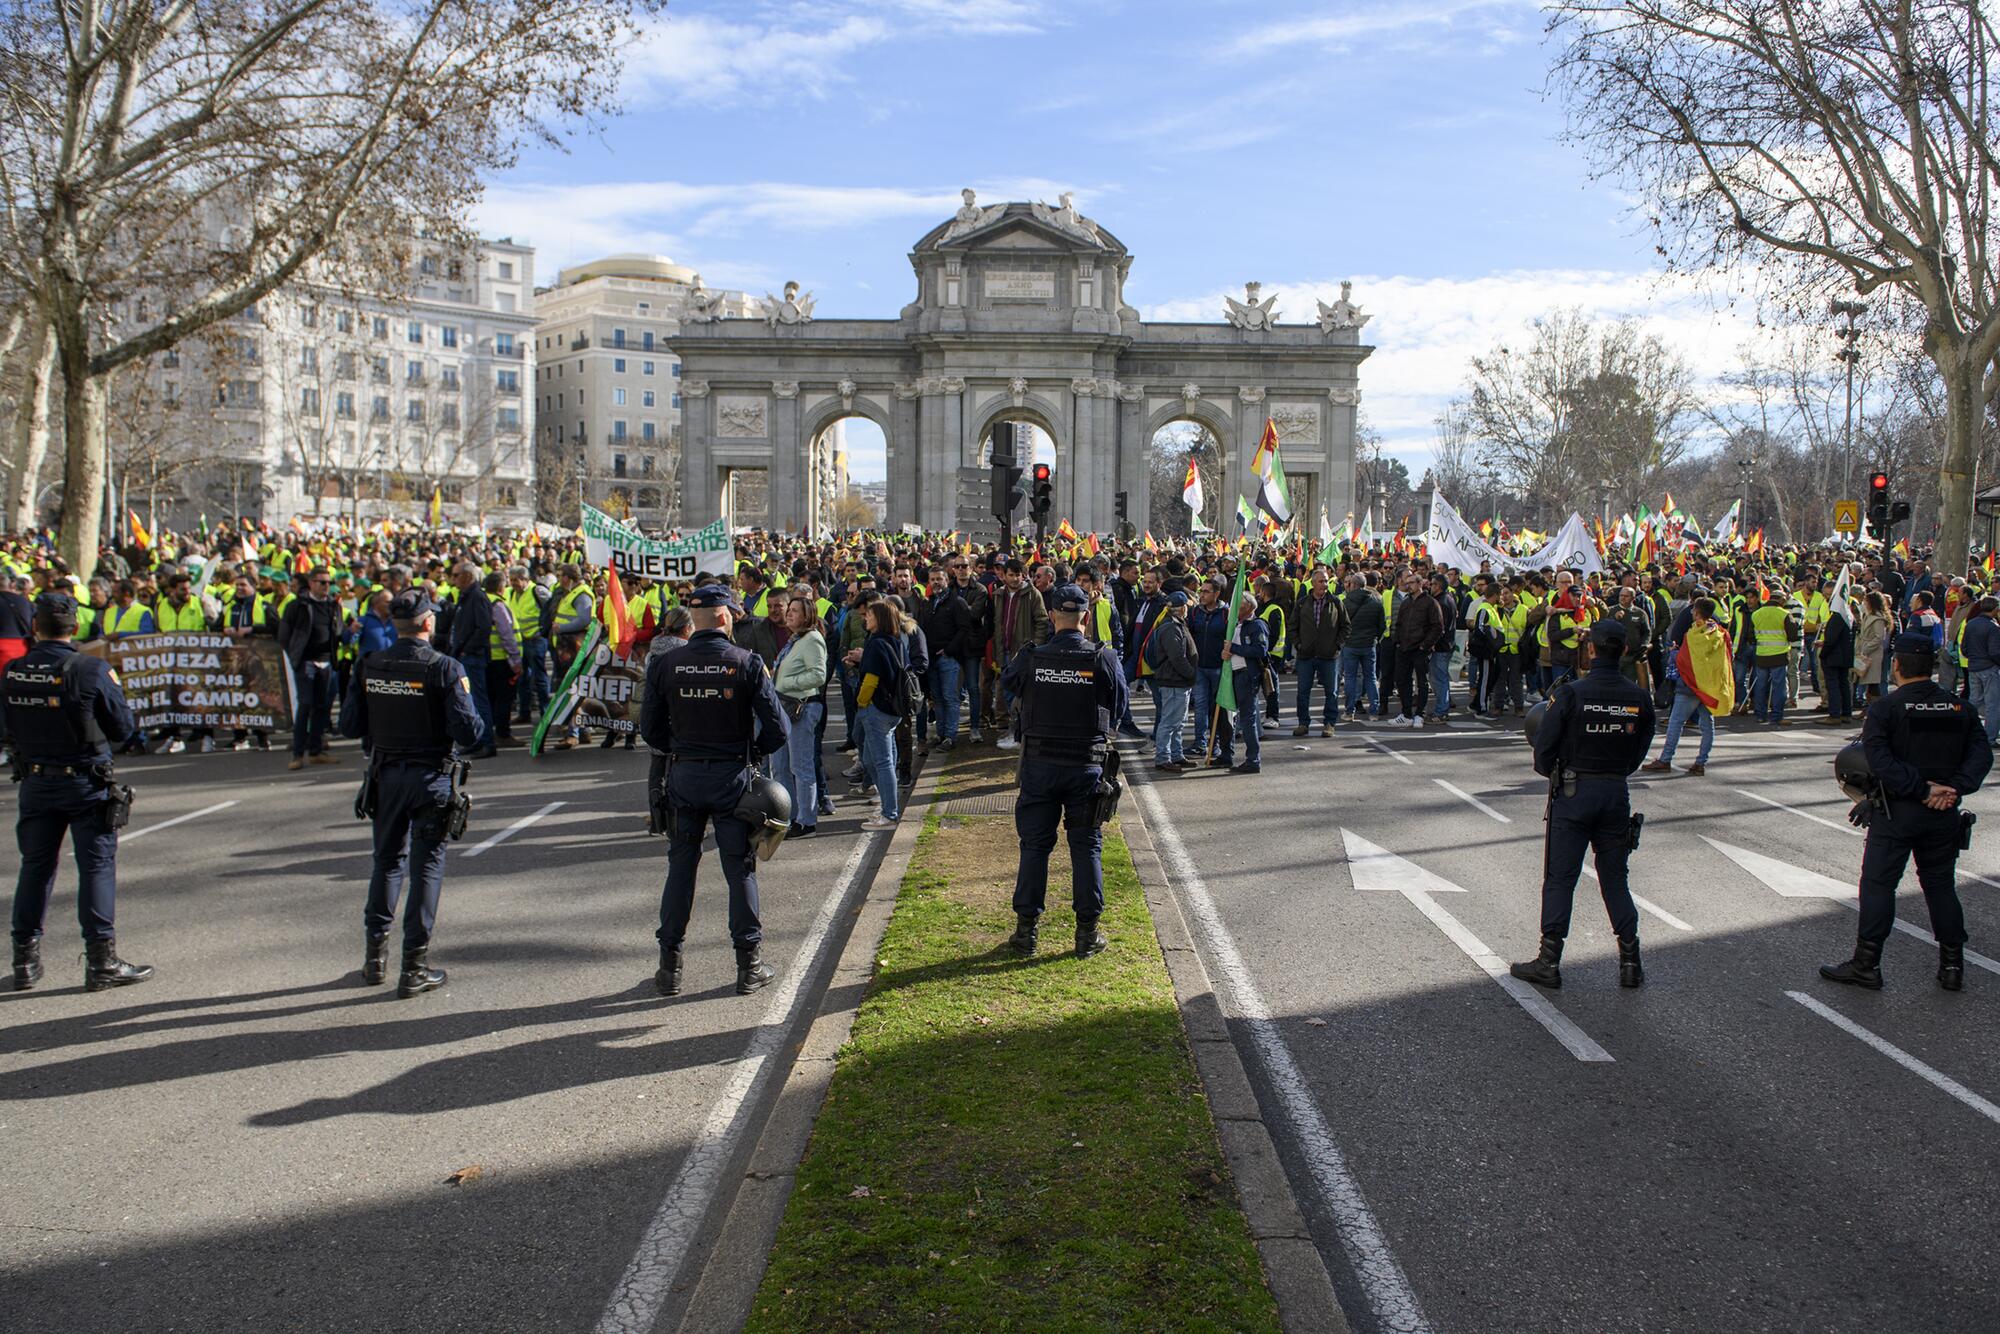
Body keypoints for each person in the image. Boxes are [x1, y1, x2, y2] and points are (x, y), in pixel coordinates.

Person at [640, 584, 790, 997]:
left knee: (680, 868)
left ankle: (669, 968)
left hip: (684, 777)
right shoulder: (746, 662)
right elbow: (778, 729)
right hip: (732, 780)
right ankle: (749, 966)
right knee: (739, 870)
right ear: (725, 617)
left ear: (695, 618)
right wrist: (751, 752)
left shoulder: (667, 662)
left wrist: (681, 750)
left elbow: (649, 729)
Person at [1820, 632, 1992, 991]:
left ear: (1896, 665)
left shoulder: (1886, 708)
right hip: (1943, 813)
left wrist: (1920, 789)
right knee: (1941, 886)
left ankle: (1867, 964)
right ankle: (1952, 966)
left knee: (1879, 885)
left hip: (1897, 811)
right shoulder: (1960, 708)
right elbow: (1981, 756)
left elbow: (1878, 761)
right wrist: (1953, 788)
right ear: (1930, 666)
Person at [337, 589, 484, 997]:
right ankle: (413, 967)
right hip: (430, 779)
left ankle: (374, 960)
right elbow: (470, 733)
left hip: (385, 777)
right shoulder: (444, 668)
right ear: (428, 622)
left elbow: (349, 726)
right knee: (425, 869)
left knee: (386, 864)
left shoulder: (371, 664)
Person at [5, 593, 151, 992]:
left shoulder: (13, 671)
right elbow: (122, 729)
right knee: (96, 868)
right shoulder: (91, 670)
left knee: (35, 868)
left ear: (35, 626)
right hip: (85, 782)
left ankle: (25, 960)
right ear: (74, 627)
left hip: (36, 781)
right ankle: (101, 960)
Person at [1511, 620, 1656, 991]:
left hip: (1574, 793)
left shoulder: (1572, 694)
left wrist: (1558, 770)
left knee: (1561, 878)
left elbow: (1543, 750)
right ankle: (1630, 962)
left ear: (1590, 649)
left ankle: (1549, 961)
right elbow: (1640, 749)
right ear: (1623, 650)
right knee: (1615, 880)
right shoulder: (1639, 698)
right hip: (1614, 793)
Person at [1001, 583, 1128, 958]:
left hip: (1040, 766)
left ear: (1053, 616)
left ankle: (1026, 933)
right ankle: (1086, 935)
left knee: (1035, 848)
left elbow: (1009, 685)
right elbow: (1118, 707)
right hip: (1085, 767)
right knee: (1086, 847)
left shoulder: (1032, 656)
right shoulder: (1102, 658)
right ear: (1086, 618)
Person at [1643, 595, 1731, 776]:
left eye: (1693, 610)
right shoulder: (1720, 633)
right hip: (1710, 687)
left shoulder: (1693, 634)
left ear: (1697, 613)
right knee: (1707, 725)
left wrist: (1673, 653)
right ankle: (1701, 762)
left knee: (1676, 723)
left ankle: (1665, 759)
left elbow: (1683, 659)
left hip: (1689, 685)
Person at [772, 596, 828, 837]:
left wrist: (786, 682)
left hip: (802, 709)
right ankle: (789, 816)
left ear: (807, 615)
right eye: (790, 610)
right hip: (785, 708)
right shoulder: (793, 640)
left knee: (800, 766)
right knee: (780, 766)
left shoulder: (812, 639)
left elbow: (818, 676)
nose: (790, 614)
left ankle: (807, 820)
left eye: (795, 611)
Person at [278, 567, 343, 770]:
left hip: (326, 662)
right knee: (305, 705)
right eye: (321, 582)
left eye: (328, 582)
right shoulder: (297, 606)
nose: (326, 586)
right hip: (306, 662)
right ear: (312, 583)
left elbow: (337, 632)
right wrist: (295, 657)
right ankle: (298, 753)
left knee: (322, 707)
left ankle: (315, 751)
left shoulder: (334, 606)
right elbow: (284, 635)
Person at [851, 600, 908, 829]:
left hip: (877, 709)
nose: (866, 618)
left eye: (870, 615)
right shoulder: (894, 640)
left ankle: (889, 813)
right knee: (873, 760)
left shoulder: (876, 644)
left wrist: (861, 703)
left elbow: (872, 679)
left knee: (881, 762)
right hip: (892, 709)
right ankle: (887, 806)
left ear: (880, 619)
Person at [1145, 590, 1197, 771]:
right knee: (1170, 721)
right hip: (1174, 681)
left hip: (1177, 681)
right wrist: (1190, 673)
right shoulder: (1170, 628)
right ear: (1182, 608)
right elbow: (1177, 657)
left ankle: (1176, 754)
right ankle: (1163, 757)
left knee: (1179, 721)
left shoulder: (1174, 625)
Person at [1290, 566, 1343, 737]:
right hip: (1306, 655)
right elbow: (1293, 626)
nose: (1325, 584)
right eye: (1321, 581)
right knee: (1303, 691)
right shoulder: (1302, 603)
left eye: (1326, 581)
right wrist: (1298, 644)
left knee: (1331, 691)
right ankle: (1303, 723)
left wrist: (1337, 645)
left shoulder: (1335, 602)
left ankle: (1329, 723)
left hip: (1328, 656)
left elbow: (1346, 626)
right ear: (1313, 583)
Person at [1226, 588, 1270, 774]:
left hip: (1246, 675)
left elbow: (1260, 650)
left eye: (1239, 605)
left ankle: (1253, 760)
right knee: (1239, 717)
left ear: (1249, 607)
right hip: (1234, 674)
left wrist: (1234, 648)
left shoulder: (1256, 625)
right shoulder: (1237, 624)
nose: (1234, 609)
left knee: (1247, 718)